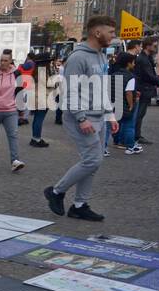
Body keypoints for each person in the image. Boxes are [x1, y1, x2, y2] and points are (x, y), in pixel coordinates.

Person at [44, 16, 119, 223]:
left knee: (93, 162)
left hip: (99, 116)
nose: (114, 36)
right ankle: (56, 192)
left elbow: (101, 89)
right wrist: (81, 118)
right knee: (93, 159)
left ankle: (79, 205)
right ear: (97, 33)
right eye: (111, 32)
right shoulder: (78, 58)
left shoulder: (102, 56)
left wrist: (110, 114)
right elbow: (69, 91)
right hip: (81, 118)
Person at [132, 37, 159, 145]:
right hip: (143, 89)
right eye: (154, 46)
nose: (156, 48)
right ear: (148, 46)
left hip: (144, 89)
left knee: (140, 113)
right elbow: (148, 75)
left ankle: (136, 135)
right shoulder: (143, 59)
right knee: (139, 114)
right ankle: (135, 135)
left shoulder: (146, 58)